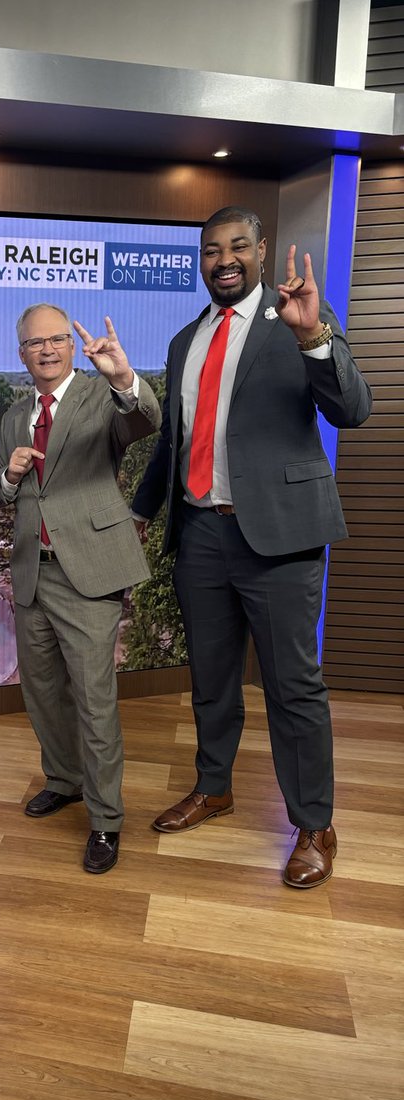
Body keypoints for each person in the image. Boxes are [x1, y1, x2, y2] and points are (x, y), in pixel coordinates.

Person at [132, 206, 372, 888]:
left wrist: (314, 338)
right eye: (212, 250)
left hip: (280, 537)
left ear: (263, 252)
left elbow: (353, 409)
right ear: (200, 261)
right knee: (211, 679)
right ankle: (215, 787)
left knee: (294, 688)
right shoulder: (186, 341)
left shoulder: (298, 320)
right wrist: (142, 511)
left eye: (238, 245)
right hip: (202, 533)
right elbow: (176, 444)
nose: (224, 258)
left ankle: (315, 823)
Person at [0, 304, 161, 873]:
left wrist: (123, 379)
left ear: (69, 344)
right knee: (41, 693)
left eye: (57, 339)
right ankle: (64, 779)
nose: (47, 349)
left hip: (89, 573)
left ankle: (107, 820)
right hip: (31, 572)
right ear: (22, 354)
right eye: (35, 343)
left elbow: (143, 421)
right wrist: (8, 476)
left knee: (93, 700)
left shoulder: (99, 397)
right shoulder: (16, 414)